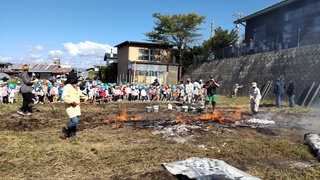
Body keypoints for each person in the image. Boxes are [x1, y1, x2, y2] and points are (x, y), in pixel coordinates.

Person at [60, 72, 88, 140]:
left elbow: (80, 94)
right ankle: (65, 130)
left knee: (74, 123)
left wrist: (86, 98)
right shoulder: (67, 87)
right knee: (74, 121)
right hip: (70, 107)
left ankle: (72, 135)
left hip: (76, 107)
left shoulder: (76, 87)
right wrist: (71, 102)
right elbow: (64, 97)